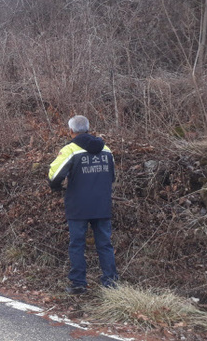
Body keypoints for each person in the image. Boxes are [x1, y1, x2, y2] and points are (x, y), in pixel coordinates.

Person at [48, 115, 118, 294]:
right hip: (102, 205)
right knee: (105, 244)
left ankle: (78, 284)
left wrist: (56, 188)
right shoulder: (107, 149)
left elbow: (54, 176)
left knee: (77, 244)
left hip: (78, 206)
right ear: (88, 128)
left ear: (71, 131)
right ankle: (111, 284)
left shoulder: (70, 150)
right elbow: (112, 177)